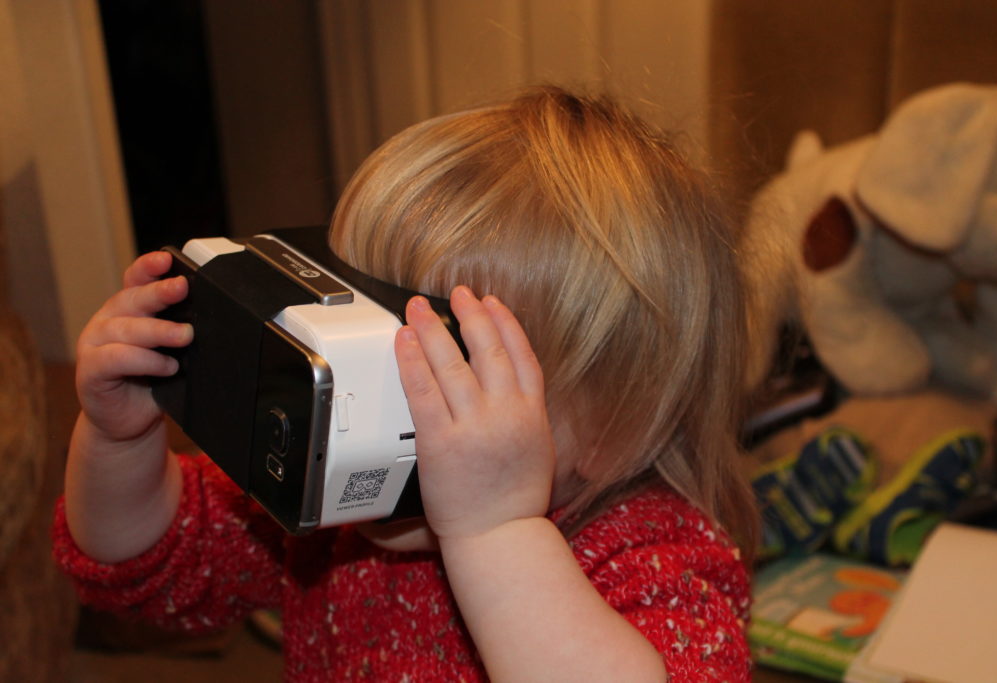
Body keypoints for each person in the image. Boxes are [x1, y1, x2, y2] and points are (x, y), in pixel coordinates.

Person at [55, 87, 758, 681]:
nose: (383, 389)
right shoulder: (345, 507)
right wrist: (120, 438)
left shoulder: (656, 559)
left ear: (616, 426)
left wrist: (496, 530)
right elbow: (151, 564)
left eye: (448, 362)